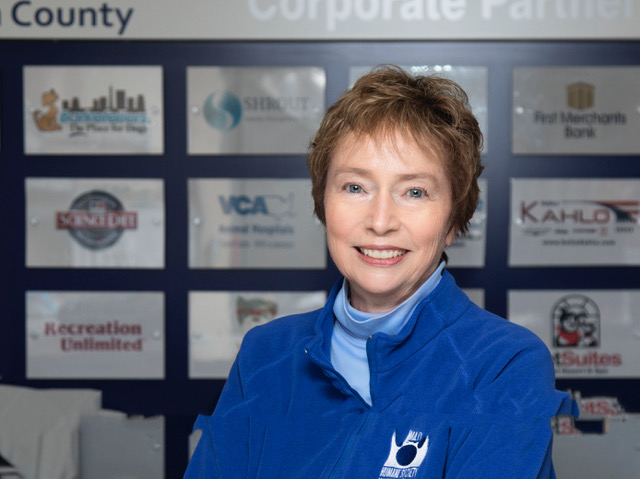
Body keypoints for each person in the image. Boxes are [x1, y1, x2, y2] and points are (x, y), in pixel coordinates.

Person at [184, 65, 577, 478]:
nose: (380, 221)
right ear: (322, 203)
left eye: (414, 192)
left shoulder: (503, 364)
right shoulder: (264, 353)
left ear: (454, 220)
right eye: (355, 187)